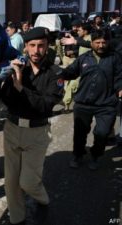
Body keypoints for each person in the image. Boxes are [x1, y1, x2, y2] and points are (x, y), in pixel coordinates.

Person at [0, 27, 63, 225]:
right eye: (32, 46)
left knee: (27, 182)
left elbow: (45, 106)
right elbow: (7, 101)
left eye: (41, 46)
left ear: (47, 47)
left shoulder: (55, 73)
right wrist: (7, 80)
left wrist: (21, 88)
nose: (36, 50)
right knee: (10, 183)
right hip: (12, 129)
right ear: (25, 47)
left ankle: (42, 200)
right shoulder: (17, 69)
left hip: (37, 133)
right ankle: (17, 219)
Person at [58, 29, 122, 170]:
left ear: (108, 43)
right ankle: (78, 155)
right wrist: (57, 73)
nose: (101, 45)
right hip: (83, 103)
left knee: (102, 133)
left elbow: (119, 79)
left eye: (104, 42)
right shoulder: (84, 58)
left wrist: (120, 89)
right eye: (97, 42)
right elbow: (70, 72)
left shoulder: (115, 58)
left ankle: (96, 155)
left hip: (106, 105)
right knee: (80, 133)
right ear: (91, 43)